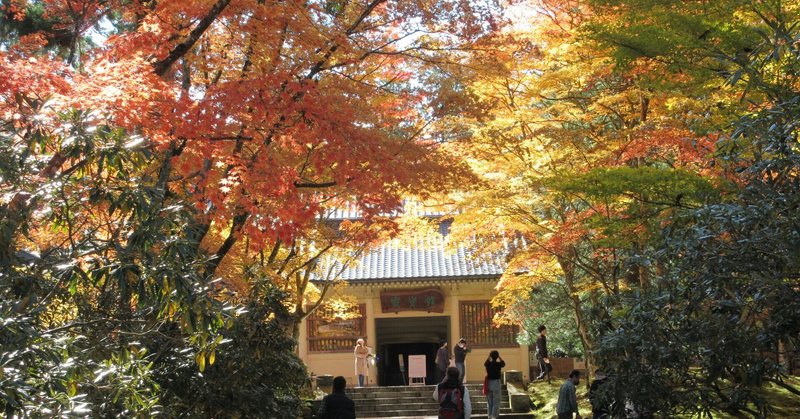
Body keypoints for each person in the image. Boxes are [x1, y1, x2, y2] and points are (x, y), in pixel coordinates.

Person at [483, 350, 505, 419]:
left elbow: (486, 362)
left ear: (491, 356)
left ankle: (489, 415)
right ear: (497, 356)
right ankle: (494, 416)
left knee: (490, 401)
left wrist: (489, 355)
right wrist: (499, 357)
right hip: (496, 382)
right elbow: (503, 363)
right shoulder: (498, 364)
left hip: (489, 382)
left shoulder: (488, 364)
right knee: (496, 400)